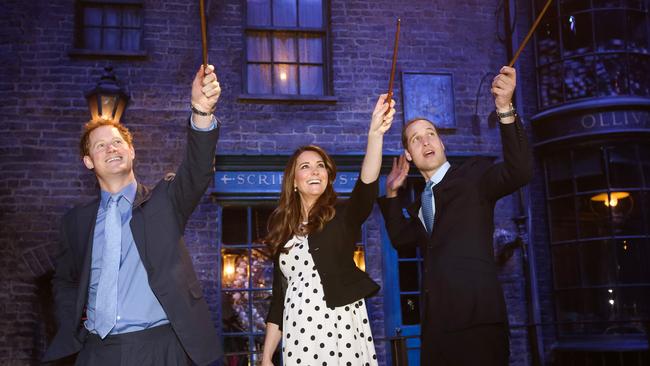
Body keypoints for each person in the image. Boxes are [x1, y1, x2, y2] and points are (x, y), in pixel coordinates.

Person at [42, 64, 223, 366]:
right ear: (88, 161)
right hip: (97, 351)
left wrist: (201, 112)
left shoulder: (165, 200)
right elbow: (65, 281)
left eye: (117, 142)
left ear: (131, 151)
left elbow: (197, 169)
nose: (111, 148)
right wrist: (72, 321)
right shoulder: (76, 222)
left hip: (161, 348)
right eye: (100, 145)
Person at [377, 66, 533, 366]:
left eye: (431, 134)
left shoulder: (474, 176)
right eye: (415, 139)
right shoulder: (422, 203)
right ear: (408, 154)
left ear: (442, 143)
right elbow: (400, 239)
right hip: (437, 332)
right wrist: (394, 194)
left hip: (479, 325)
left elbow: (520, 170)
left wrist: (504, 108)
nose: (426, 142)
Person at [260, 95, 396, 365]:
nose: (315, 171)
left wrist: (375, 134)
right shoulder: (282, 230)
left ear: (328, 176)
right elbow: (279, 301)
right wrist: (265, 357)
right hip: (298, 333)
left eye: (320, 166)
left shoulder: (342, 216)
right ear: (294, 181)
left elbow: (366, 186)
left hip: (339, 328)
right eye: (305, 166)